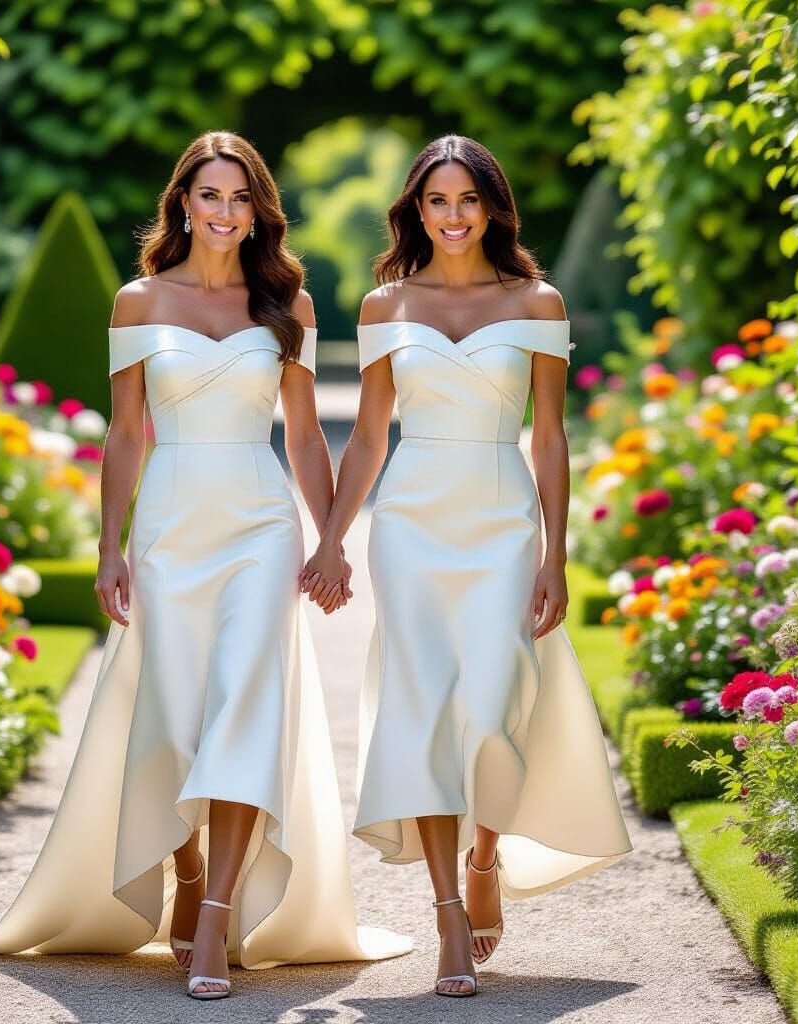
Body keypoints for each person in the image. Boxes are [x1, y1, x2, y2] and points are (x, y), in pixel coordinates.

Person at [0, 130, 411, 1001]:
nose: (225, 213)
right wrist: (109, 545)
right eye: (209, 196)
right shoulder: (138, 302)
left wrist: (330, 537)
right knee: (175, 723)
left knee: (243, 713)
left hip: (259, 526)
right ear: (182, 203)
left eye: (240, 198)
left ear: (257, 209)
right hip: (168, 528)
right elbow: (126, 434)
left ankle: (218, 918)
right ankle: (186, 877)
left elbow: (305, 437)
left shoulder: (288, 305)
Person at [300, 134, 633, 998]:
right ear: (416, 208)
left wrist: (556, 554)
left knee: (491, 706)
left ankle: (487, 852)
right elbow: (370, 434)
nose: (452, 216)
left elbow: (551, 437)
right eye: (437, 201)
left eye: (468, 201)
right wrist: (334, 534)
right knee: (424, 714)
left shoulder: (537, 300)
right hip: (409, 522)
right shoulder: (384, 306)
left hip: (501, 519)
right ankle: (448, 911)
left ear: (492, 209)